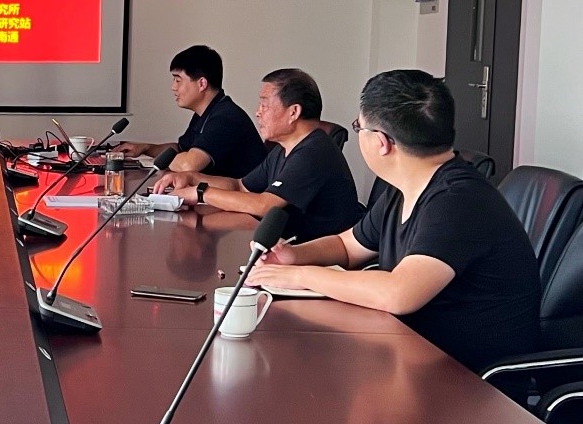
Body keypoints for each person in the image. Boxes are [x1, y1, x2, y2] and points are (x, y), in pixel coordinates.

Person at [247, 70, 540, 372]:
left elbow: (399, 293)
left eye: (358, 127)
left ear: (381, 142)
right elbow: (348, 246)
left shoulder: (458, 201)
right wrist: (294, 255)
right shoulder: (405, 188)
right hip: (410, 353)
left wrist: (299, 276)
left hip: (466, 379)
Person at [157, 68, 362, 242]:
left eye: (265, 105)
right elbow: (240, 186)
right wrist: (192, 178)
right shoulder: (284, 148)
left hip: (320, 260)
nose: (257, 112)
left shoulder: (314, 151)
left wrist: (201, 192)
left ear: (293, 112)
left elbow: (265, 205)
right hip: (287, 248)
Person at [118, 45, 266, 177]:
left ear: (202, 84)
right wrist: (145, 148)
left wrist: (158, 161)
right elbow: (180, 149)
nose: (173, 87)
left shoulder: (225, 117)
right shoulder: (207, 112)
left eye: (178, 80)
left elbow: (189, 164)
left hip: (243, 198)